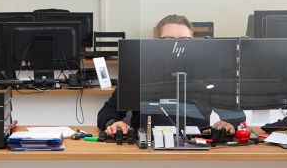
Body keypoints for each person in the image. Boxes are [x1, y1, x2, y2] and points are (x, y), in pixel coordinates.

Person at [98, 14, 244, 137]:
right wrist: (113, 123)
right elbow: (107, 111)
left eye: (184, 41)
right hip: (147, 145)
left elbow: (235, 114)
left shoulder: (206, 74)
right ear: (157, 43)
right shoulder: (139, 72)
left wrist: (229, 123)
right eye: (169, 41)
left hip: (195, 145)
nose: (177, 47)